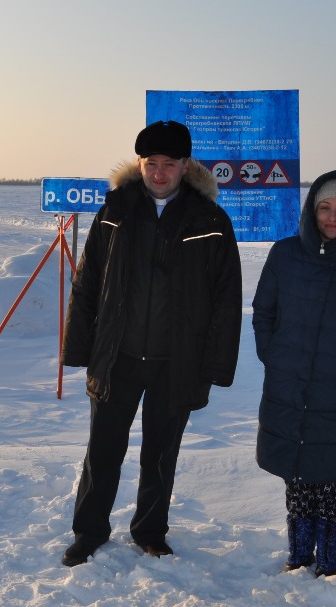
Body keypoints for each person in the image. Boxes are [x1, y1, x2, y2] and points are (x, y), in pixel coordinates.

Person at [60, 120, 242, 567]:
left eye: (169, 164)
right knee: (103, 450)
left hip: (175, 359)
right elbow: (87, 285)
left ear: (185, 166)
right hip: (117, 355)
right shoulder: (115, 211)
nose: (159, 173)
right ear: (139, 164)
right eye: (150, 163)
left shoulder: (210, 220)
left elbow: (227, 298)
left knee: (161, 454)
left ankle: (150, 531)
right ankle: (89, 532)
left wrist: (217, 365)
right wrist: (79, 349)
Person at [253, 170, 336, 576]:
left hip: (335, 389)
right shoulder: (285, 253)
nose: (333, 217)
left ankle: (328, 565)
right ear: (312, 209)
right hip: (288, 384)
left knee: (329, 480)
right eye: (325, 207)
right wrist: (273, 357)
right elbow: (264, 312)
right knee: (296, 477)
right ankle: (297, 557)